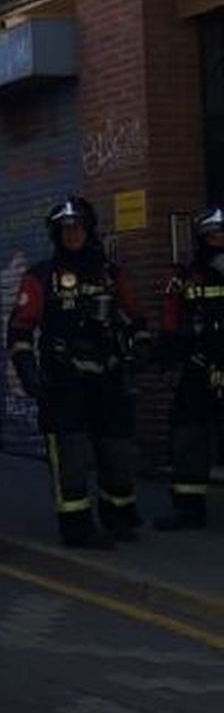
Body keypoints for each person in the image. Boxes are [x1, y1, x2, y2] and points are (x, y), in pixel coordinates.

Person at [8, 196, 150, 549]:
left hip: (109, 375)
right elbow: (21, 328)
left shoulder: (111, 273)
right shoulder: (41, 277)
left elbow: (134, 315)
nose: (73, 235)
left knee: (117, 452)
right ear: (56, 234)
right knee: (71, 457)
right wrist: (27, 368)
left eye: (78, 228)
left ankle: (119, 518)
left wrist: (142, 345)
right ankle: (77, 528)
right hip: (63, 379)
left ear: (89, 230)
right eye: (66, 230)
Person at [154, 206, 224, 530]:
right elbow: (170, 316)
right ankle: (188, 507)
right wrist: (169, 357)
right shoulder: (185, 275)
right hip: (197, 367)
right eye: (213, 234)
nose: (218, 239)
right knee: (188, 436)